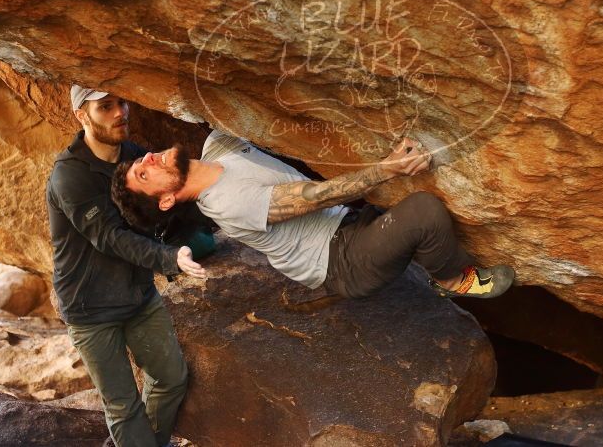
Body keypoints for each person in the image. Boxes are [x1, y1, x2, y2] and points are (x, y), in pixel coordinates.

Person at [111, 130, 515, 300]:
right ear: (165, 201)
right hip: (340, 262)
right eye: (144, 174)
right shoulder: (227, 204)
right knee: (424, 211)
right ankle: (451, 279)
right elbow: (314, 196)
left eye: (141, 161)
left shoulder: (218, 143)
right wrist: (386, 168)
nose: (147, 158)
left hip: (348, 223)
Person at [46, 85, 211, 447]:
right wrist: (169, 258)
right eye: (105, 107)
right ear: (81, 116)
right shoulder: (70, 175)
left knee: (172, 378)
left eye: (121, 102)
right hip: (91, 309)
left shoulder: (135, 157)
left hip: (138, 296)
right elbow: (109, 236)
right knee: (122, 405)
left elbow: (168, 200)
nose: (120, 112)